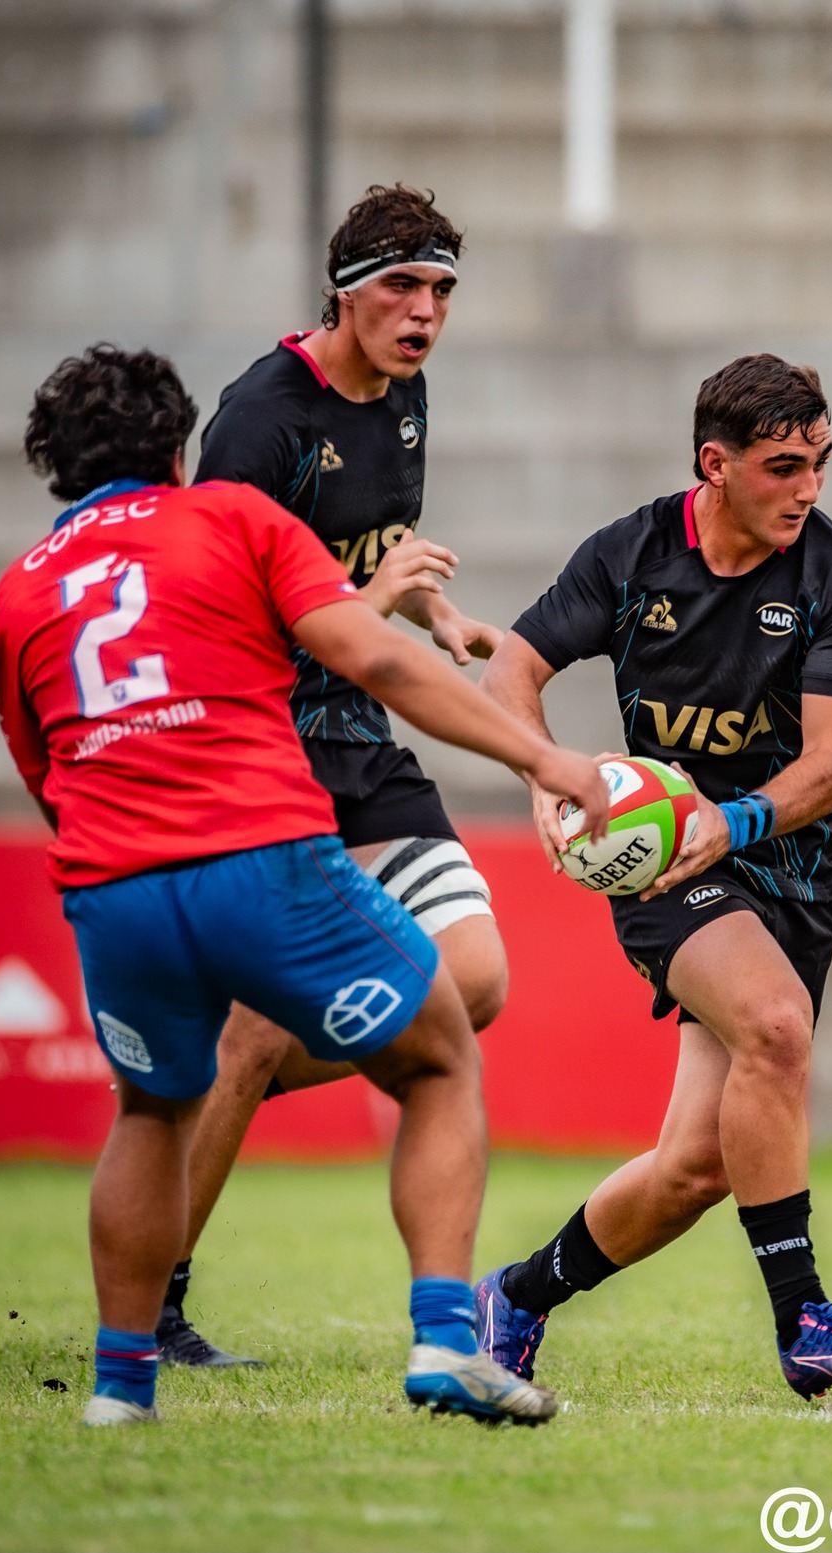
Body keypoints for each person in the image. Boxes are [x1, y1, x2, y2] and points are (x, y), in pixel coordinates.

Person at [0, 345, 610, 1426]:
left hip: (112, 883)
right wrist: (544, 759)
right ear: (177, 448)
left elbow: (47, 769)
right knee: (438, 1054)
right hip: (256, 851)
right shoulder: (231, 517)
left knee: (148, 1109)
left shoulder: (20, 589)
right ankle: (445, 1343)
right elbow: (379, 659)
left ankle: (120, 1389)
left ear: (54, 467)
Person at [470, 355, 832, 1399]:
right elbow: (510, 671)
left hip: (790, 864)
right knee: (774, 1025)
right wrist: (544, 774)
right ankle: (806, 1319)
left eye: (819, 462)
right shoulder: (628, 556)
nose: (808, 487)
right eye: (783, 465)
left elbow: (831, 764)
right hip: (662, 859)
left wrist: (739, 818)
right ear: (713, 464)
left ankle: (517, 1296)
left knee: (696, 1168)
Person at [155, 185, 513, 1367]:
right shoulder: (258, 421)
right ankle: (153, 1298)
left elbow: (366, 564)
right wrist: (374, 603)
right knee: (256, 1031)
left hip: (355, 730)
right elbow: (224, 625)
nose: (424, 314)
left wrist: (436, 612)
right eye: (402, 288)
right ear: (344, 291)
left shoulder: (404, 395)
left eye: (442, 292)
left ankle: (216, 1079)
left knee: (475, 980)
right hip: (262, 742)